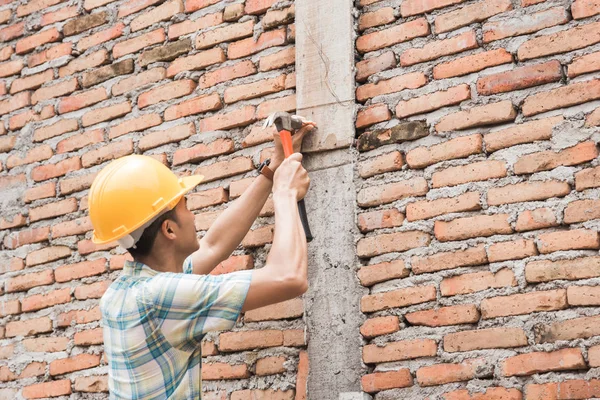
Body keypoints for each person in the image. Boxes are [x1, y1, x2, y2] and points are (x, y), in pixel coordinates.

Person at [91, 121, 315, 399]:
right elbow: (288, 277)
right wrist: (285, 193)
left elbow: (214, 246)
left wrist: (273, 170)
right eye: (185, 206)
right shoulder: (159, 296)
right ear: (169, 230)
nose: (193, 215)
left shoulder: (128, 289)